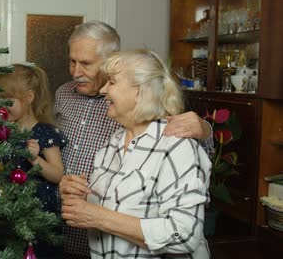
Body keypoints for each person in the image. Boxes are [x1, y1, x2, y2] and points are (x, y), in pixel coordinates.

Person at [55, 21, 213, 258]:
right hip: (81, 242)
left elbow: (184, 233)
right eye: (72, 61)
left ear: (140, 90)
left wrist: (205, 129)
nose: (76, 71)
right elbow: (113, 198)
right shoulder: (114, 142)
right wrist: (73, 190)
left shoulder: (173, 139)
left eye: (86, 63)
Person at [0, 64, 66, 257]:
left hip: (39, 216)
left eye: (7, 102)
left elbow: (58, 174)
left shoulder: (44, 132)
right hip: (8, 213)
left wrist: (35, 159)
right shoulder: (4, 132)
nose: (1, 109)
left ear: (29, 97)